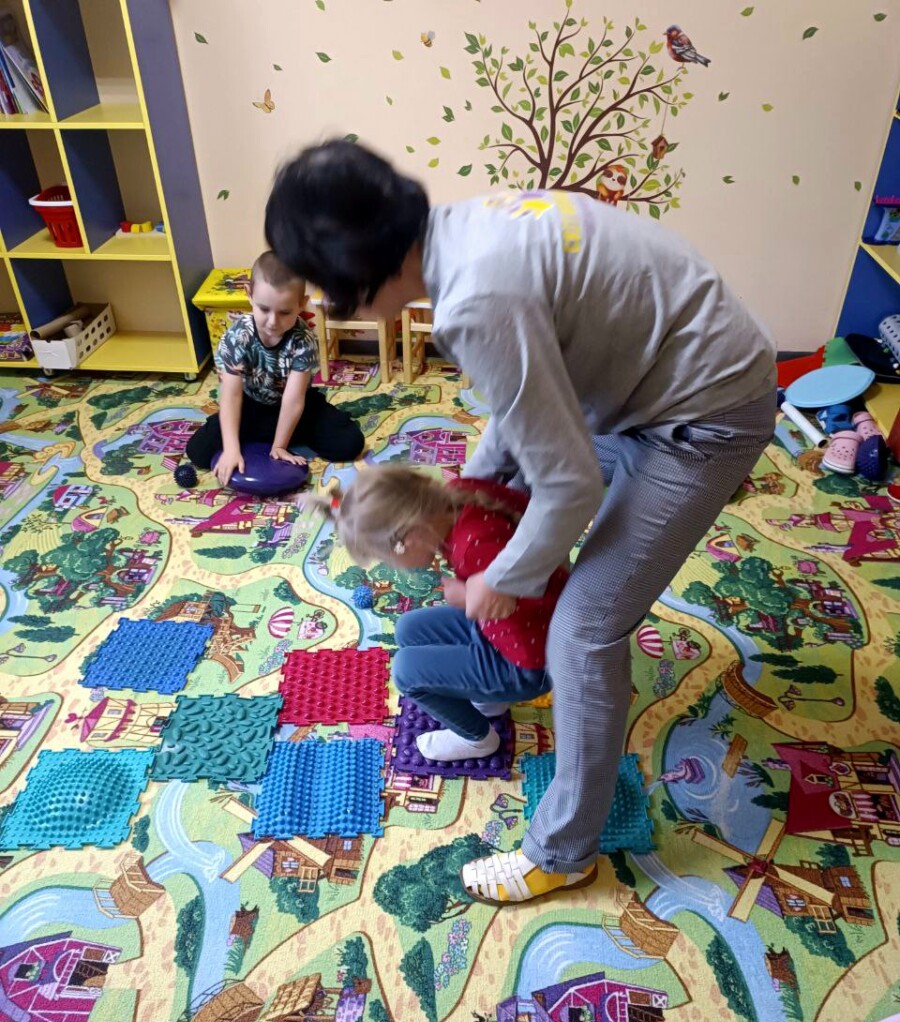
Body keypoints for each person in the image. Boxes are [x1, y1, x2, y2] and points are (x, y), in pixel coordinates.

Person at [266, 140, 777, 906]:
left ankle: (564, 852)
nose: (328, 306)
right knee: (513, 496)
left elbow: (567, 485)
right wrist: (468, 494)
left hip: (703, 413)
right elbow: (522, 407)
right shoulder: (459, 233)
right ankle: (503, 678)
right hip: (641, 385)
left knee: (582, 630)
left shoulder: (476, 301)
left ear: (353, 274)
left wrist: (497, 581)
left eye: (324, 290)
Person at [318, 466, 569, 775]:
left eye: (388, 558)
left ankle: (477, 738)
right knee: (407, 628)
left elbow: (510, 603)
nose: (396, 568)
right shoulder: (459, 495)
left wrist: (466, 596)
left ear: (409, 537)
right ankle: (490, 700)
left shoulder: (473, 547)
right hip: (509, 632)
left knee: (405, 672)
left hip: (527, 663)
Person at [186, 251, 364, 485]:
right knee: (198, 451)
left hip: (294, 406)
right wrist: (231, 448)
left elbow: (293, 399)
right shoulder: (236, 337)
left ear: (301, 304)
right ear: (249, 295)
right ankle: (259, 435)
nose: (272, 321)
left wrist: (280, 446)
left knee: (350, 444)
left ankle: (278, 436)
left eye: (284, 312)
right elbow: (231, 395)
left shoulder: (304, 340)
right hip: (249, 405)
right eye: (264, 309)